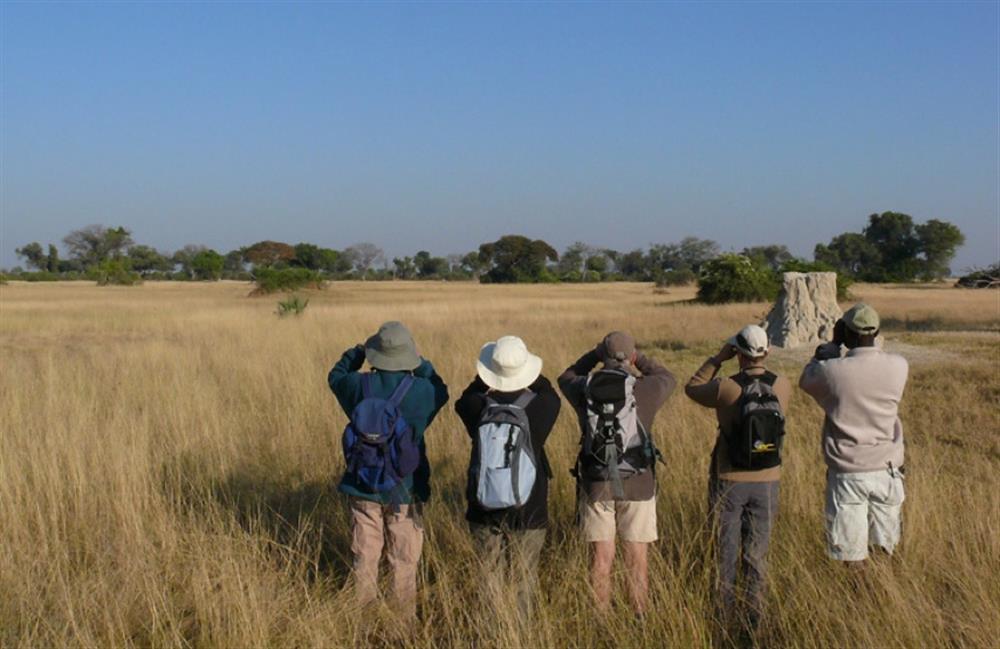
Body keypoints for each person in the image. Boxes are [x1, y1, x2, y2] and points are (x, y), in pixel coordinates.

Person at [328, 321, 449, 621]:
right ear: (407, 355)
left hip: (362, 484)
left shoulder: (357, 386)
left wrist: (357, 353)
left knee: (365, 556)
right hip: (405, 487)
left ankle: (364, 619)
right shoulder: (422, 391)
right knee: (404, 560)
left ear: (376, 354)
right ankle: (402, 622)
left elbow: (335, 377)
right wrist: (421, 364)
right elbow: (441, 390)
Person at [558, 331, 675, 615]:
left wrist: (592, 356)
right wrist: (640, 359)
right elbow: (667, 377)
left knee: (600, 560)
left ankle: (600, 619)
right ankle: (638, 616)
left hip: (597, 482)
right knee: (637, 559)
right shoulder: (645, 389)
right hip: (638, 482)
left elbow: (565, 376)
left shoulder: (583, 387)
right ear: (631, 357)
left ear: (603, 355)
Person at [684, 324, 791, 630]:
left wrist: (718, 358)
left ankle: (723, 613)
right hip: (768, 478)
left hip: (729, 477)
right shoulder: (783, 385)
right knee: (758, 551)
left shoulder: (726, 387)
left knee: (725, 549)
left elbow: (692, 387)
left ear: (739, 355)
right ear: (767, 352)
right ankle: (753, 612)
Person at [454, 335, 562, 621]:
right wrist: (530, 374)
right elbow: (548, 389)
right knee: (523, 580)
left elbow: (463, 398)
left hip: (483, 504)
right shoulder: (544, 406)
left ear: (491, 370)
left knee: (488, 577)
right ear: (527, 369)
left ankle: (491, 633)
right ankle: (519, 634)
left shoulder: (475, 406)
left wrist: (485, 377)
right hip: (529, 506)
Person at [799, 303, 908, 568]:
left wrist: (830, 348)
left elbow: (806, 380)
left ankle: (858, 600)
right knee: (885, 547)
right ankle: (883, 598)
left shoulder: (831, 370)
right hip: (888, 469)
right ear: (877, 331)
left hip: (848, 472)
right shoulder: (899, 365)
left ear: (846, 332)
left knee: (851, 552)